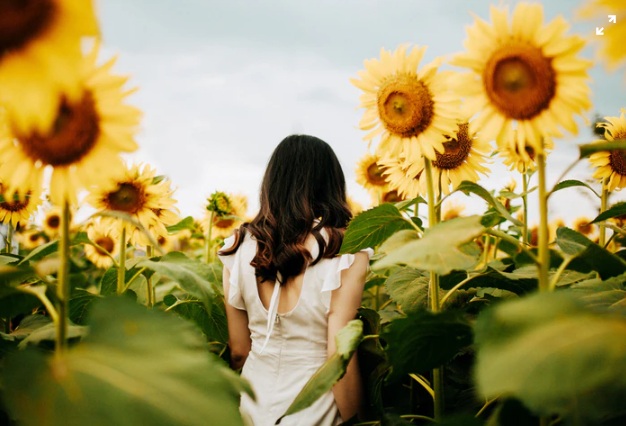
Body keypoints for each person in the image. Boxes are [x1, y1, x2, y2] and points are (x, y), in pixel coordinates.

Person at [218, 134, 372, 426]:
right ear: (332, 183)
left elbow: (239, 351)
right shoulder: (346, 248)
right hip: (317, 408)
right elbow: (339, 357)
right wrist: (361, 421)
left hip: (254, 406)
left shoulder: (238, 246)